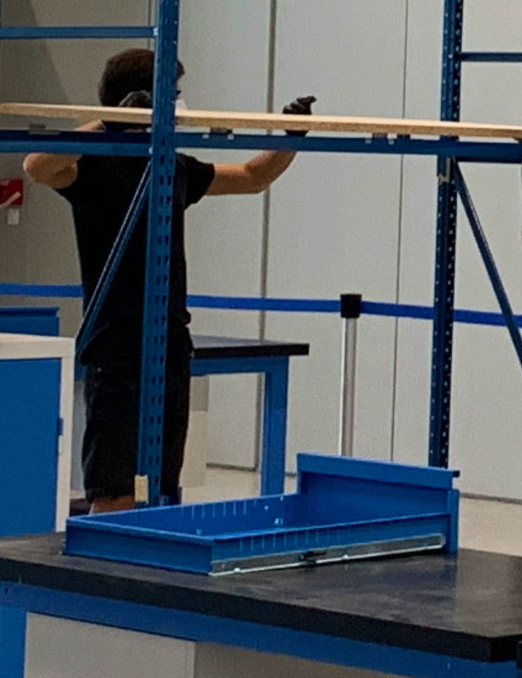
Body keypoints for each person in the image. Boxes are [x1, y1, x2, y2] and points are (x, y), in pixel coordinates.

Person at [23, 48, 311, 513]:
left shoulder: (171, 166)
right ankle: (109, 556)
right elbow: (37, 166)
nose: (178, 104)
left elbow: (252, 177)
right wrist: (109, 122)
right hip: (115, 344)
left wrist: (291, 137)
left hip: (172, 341)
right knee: (114, 490)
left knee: (160, 485)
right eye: (171, 95)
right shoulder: (91, 163)